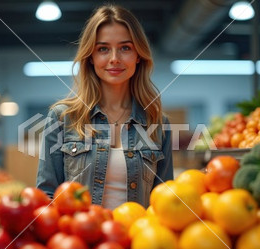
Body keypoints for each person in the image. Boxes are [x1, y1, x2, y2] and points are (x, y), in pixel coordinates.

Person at [36, 4, 173, 209]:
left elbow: (165, 203)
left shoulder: (158, 123)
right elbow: (45, 197)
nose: (114, 59)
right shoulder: (62, 118)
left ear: (138, 55)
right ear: (91, 57)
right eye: (103, 49)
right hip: (80, 238)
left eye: (125, 48)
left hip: (139, 239)